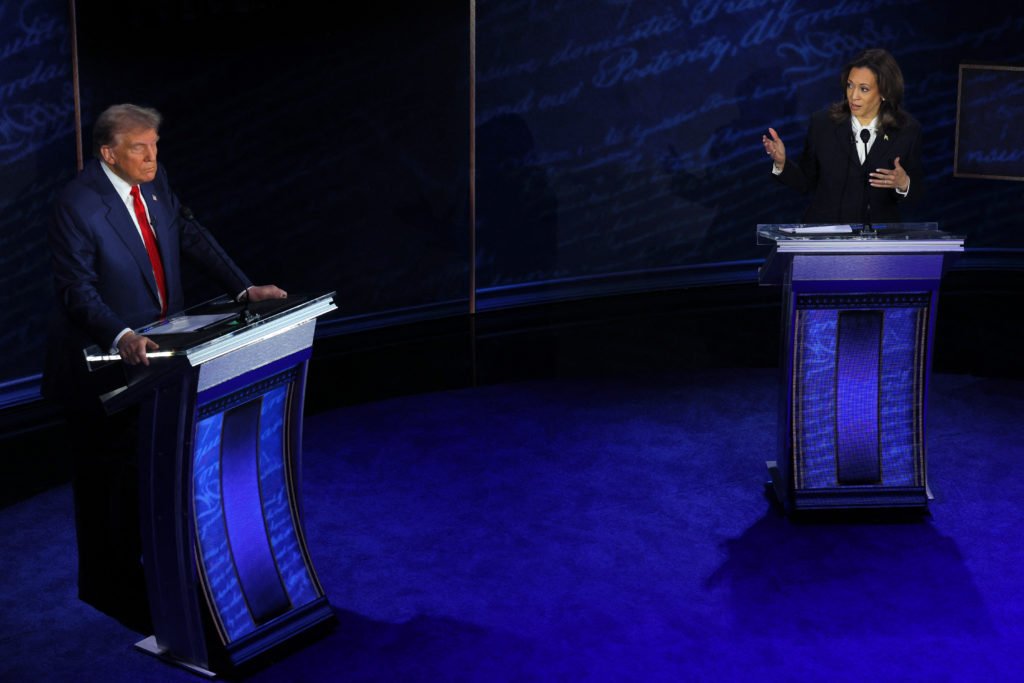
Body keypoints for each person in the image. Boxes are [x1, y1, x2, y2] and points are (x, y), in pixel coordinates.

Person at [42, 103, 287, 631]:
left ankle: (155, 577)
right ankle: (108, 586)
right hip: (101, 370)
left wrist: (244, 288)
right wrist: (121, 334)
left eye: (155, 146)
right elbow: (75, 290)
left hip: (160, 362)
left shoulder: (157, 184)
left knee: (149, 473)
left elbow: (192, 238)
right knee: (106, 483)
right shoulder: (76, 204)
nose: (152, 157)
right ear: (109, 153)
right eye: (139, 148)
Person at [761, 48, 924, 224]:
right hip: (827, 235)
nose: (854, 96)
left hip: (879, 238)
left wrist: (903, 183)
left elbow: (919, 192)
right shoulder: (823, 124)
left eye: (864, 89)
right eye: (850, 85)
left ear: (884, 92)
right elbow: (805, 182)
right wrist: (781, 163)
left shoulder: (906, 129)